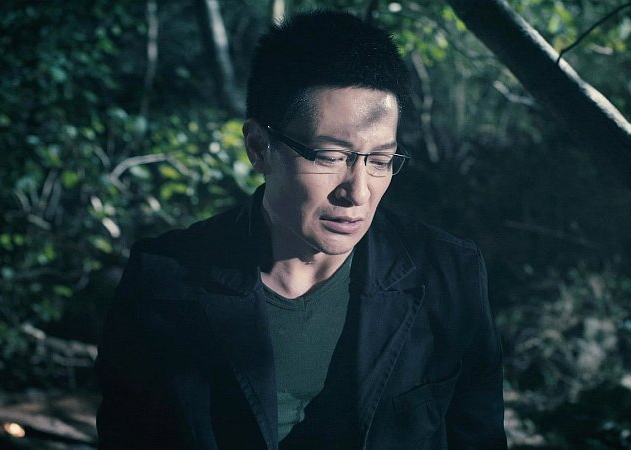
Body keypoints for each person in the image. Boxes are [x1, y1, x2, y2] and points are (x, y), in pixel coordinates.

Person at [95, 10, 505, 450]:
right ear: (259, 147)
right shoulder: (163, 281)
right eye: (330, 156)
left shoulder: (447, 274)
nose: (358, 192)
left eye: (381, 160)